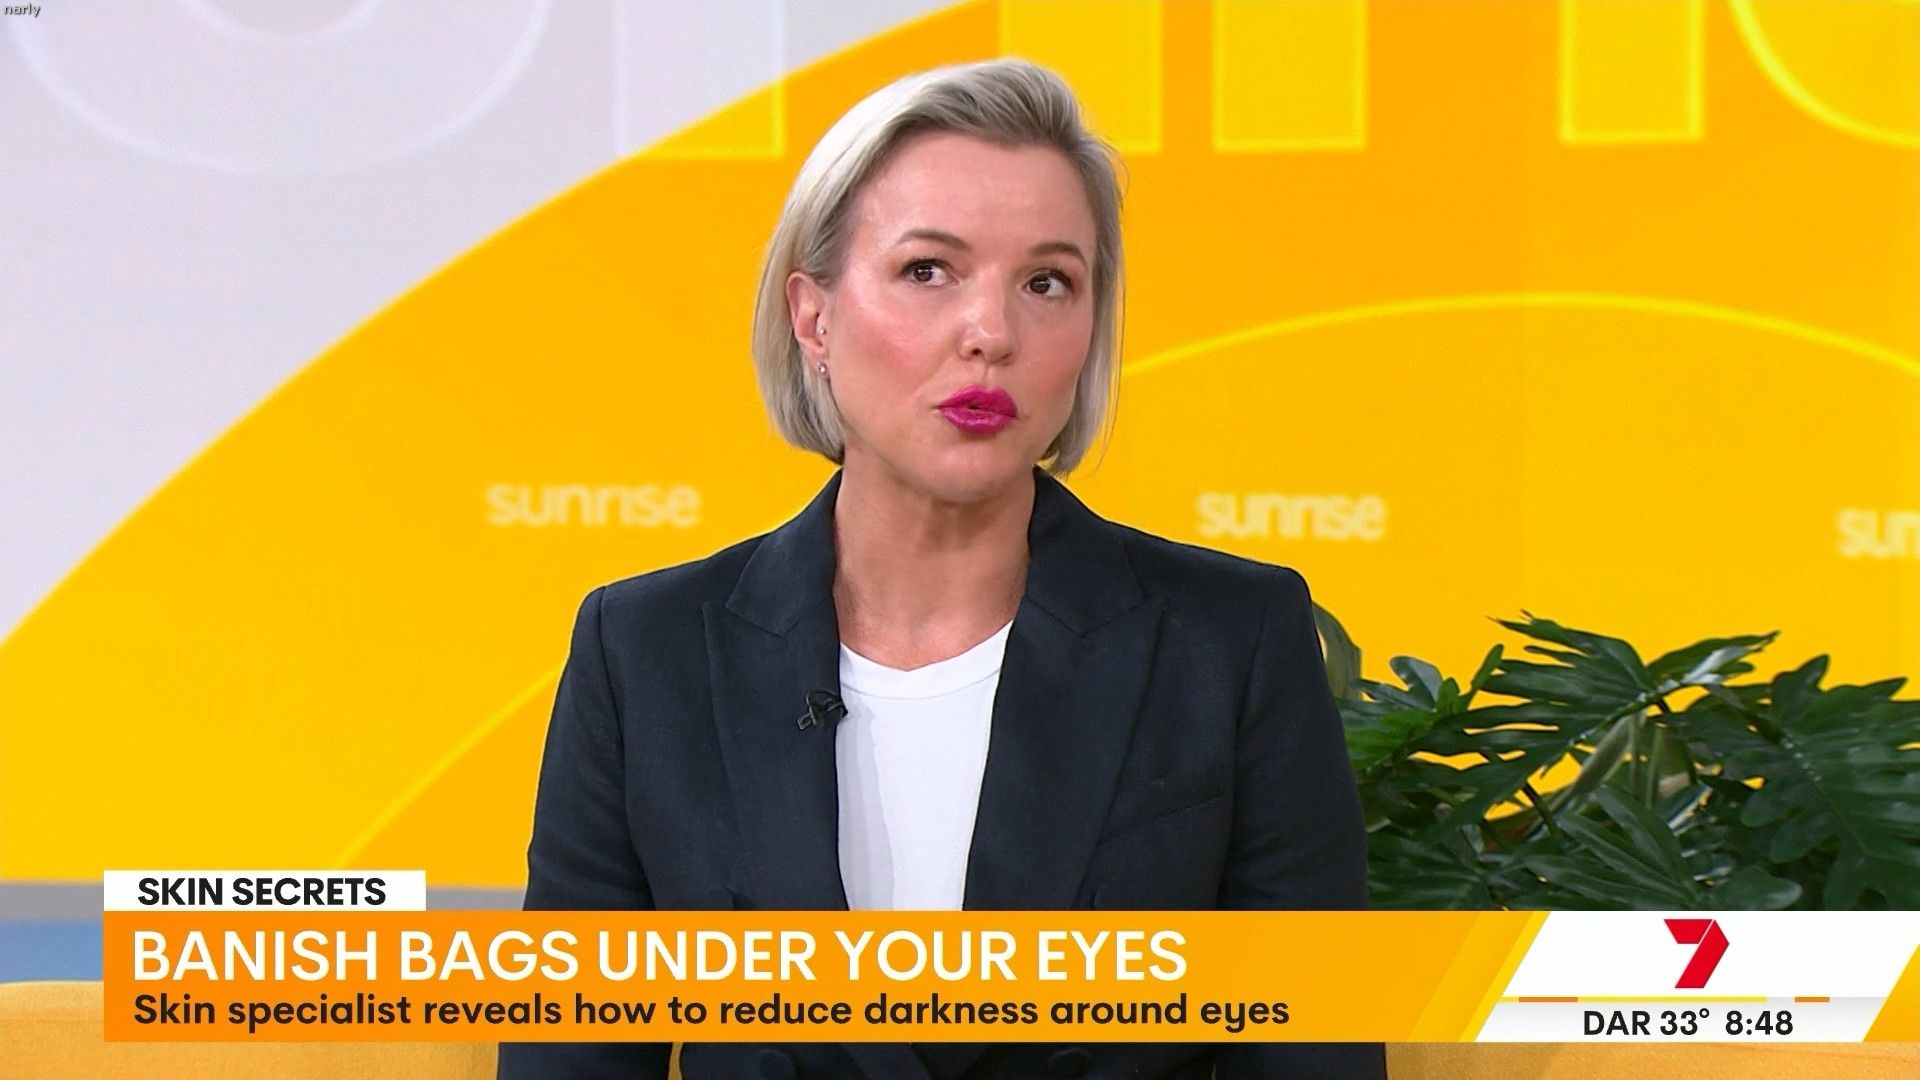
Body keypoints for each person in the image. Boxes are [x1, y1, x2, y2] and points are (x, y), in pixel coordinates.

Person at [498, 56, 1381, 1080]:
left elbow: (1315, 1055)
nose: (992, 334)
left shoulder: (1231, 640)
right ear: (813, 317)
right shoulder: (645, 654)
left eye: (1048, 283)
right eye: (929, 271)